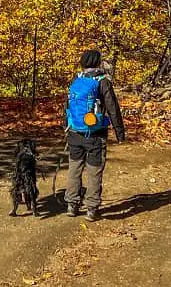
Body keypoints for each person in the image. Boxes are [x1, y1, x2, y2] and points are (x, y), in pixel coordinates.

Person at [63, 49, 126, 222]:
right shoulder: (103, 82)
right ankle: (91, 208)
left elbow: (67, 106)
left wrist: (66, 127)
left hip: (75, 132)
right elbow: (112, 108)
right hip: (96, 134)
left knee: (74, 169)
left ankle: (72, 204)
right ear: (98, 63)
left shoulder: (76, 80)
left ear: (82, 63)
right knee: (94, 170)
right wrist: (120, 133)